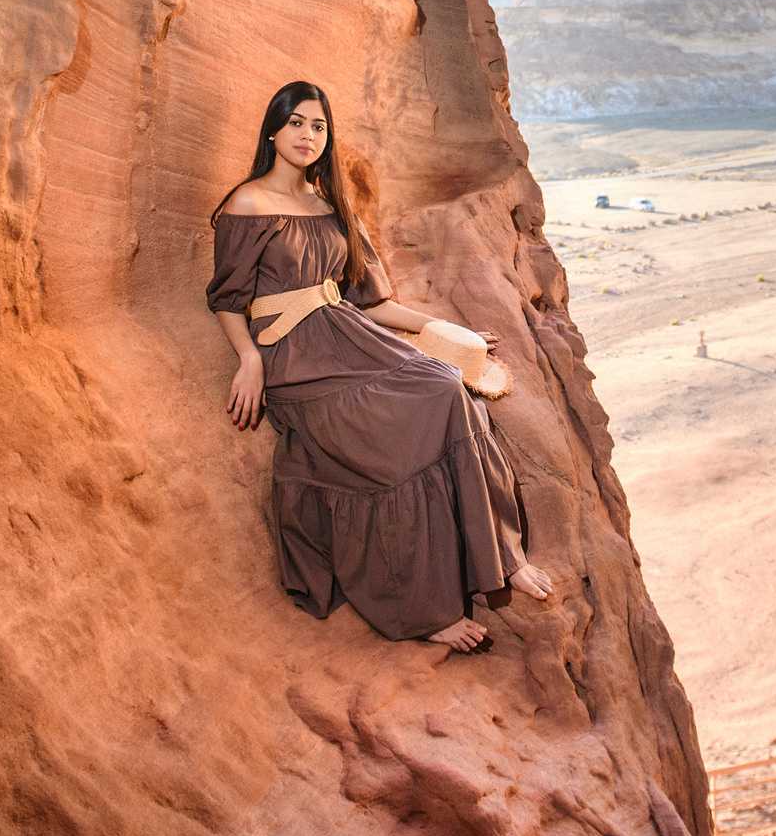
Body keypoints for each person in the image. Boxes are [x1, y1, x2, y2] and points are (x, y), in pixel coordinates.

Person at [206, 81, 551, 654]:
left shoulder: (329, 206)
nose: (307, 136)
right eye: (296, 123)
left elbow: (370, 300)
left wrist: (442, 331)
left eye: (318, 126)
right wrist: (248, 359)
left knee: (445, 385)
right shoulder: (246, 204)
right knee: (393, 444)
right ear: (272, 130)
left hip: (348, 334)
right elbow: (225, 297)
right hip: (295, 357)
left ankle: (503, 557)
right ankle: (424, 609)